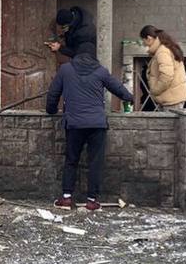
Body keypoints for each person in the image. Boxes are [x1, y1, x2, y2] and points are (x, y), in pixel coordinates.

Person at [45, 41, 133, 210]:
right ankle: (92, 201)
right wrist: (130, 98)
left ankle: (66, 198)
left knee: (71, 160)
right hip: (97, 125)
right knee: (95, 162)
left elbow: (53, 93)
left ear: (77, 53)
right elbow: (118, 88)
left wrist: (51, 110)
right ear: (94, 55)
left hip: (74, 124)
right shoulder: (100, 71)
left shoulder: (65, 70)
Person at [140, 25, 186, 112]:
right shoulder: (166, 47)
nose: (144, 44)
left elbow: (166, 75)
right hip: (172, 97)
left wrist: (155, 90)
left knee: (170, 125)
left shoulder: (162, 51)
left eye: (143, 41)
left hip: (172, 100)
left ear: (149, 38)